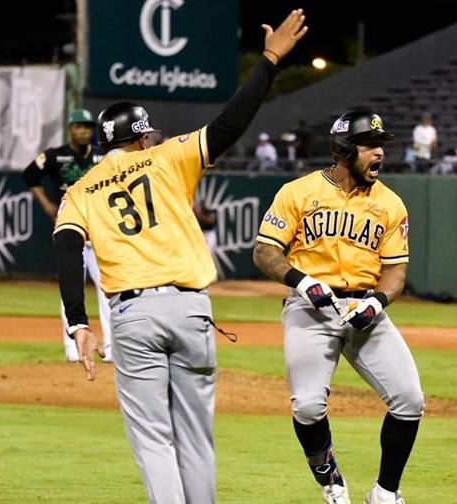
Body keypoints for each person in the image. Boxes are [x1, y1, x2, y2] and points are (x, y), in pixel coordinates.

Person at [52, 10, 307, 503]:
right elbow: (232, 121)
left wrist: (79, 323)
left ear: (105, 144)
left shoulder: (81, 188)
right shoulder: (171, 156)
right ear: (145, 136)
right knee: (195, 438)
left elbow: (66, 249)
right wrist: (270, 60)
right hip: (191, 309)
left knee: (153, 440)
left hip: (133, 314)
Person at [253, 110, 424, 504]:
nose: (380, 153)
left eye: (381, 145)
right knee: (309, 406)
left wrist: (378, 303)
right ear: (346, 149)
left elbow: (396, 271)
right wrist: (301, 281)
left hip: (365, 310)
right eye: (371, 145)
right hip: (309, 308)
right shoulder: (298, 192)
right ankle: (332, 483)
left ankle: (385, 493)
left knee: (410, 400)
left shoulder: (391, 204)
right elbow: (264, 252)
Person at [22, 108, 111, 363]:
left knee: (108, 290)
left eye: (87, 127)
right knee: (71, 288)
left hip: (99, 231)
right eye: (78, 126)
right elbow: (29, 175)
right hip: (70, 230)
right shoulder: (55, 156)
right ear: (70, 129)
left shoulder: (101, 157)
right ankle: (73, 348)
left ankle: (113, 347)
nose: (83, 131)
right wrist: (46, 204)